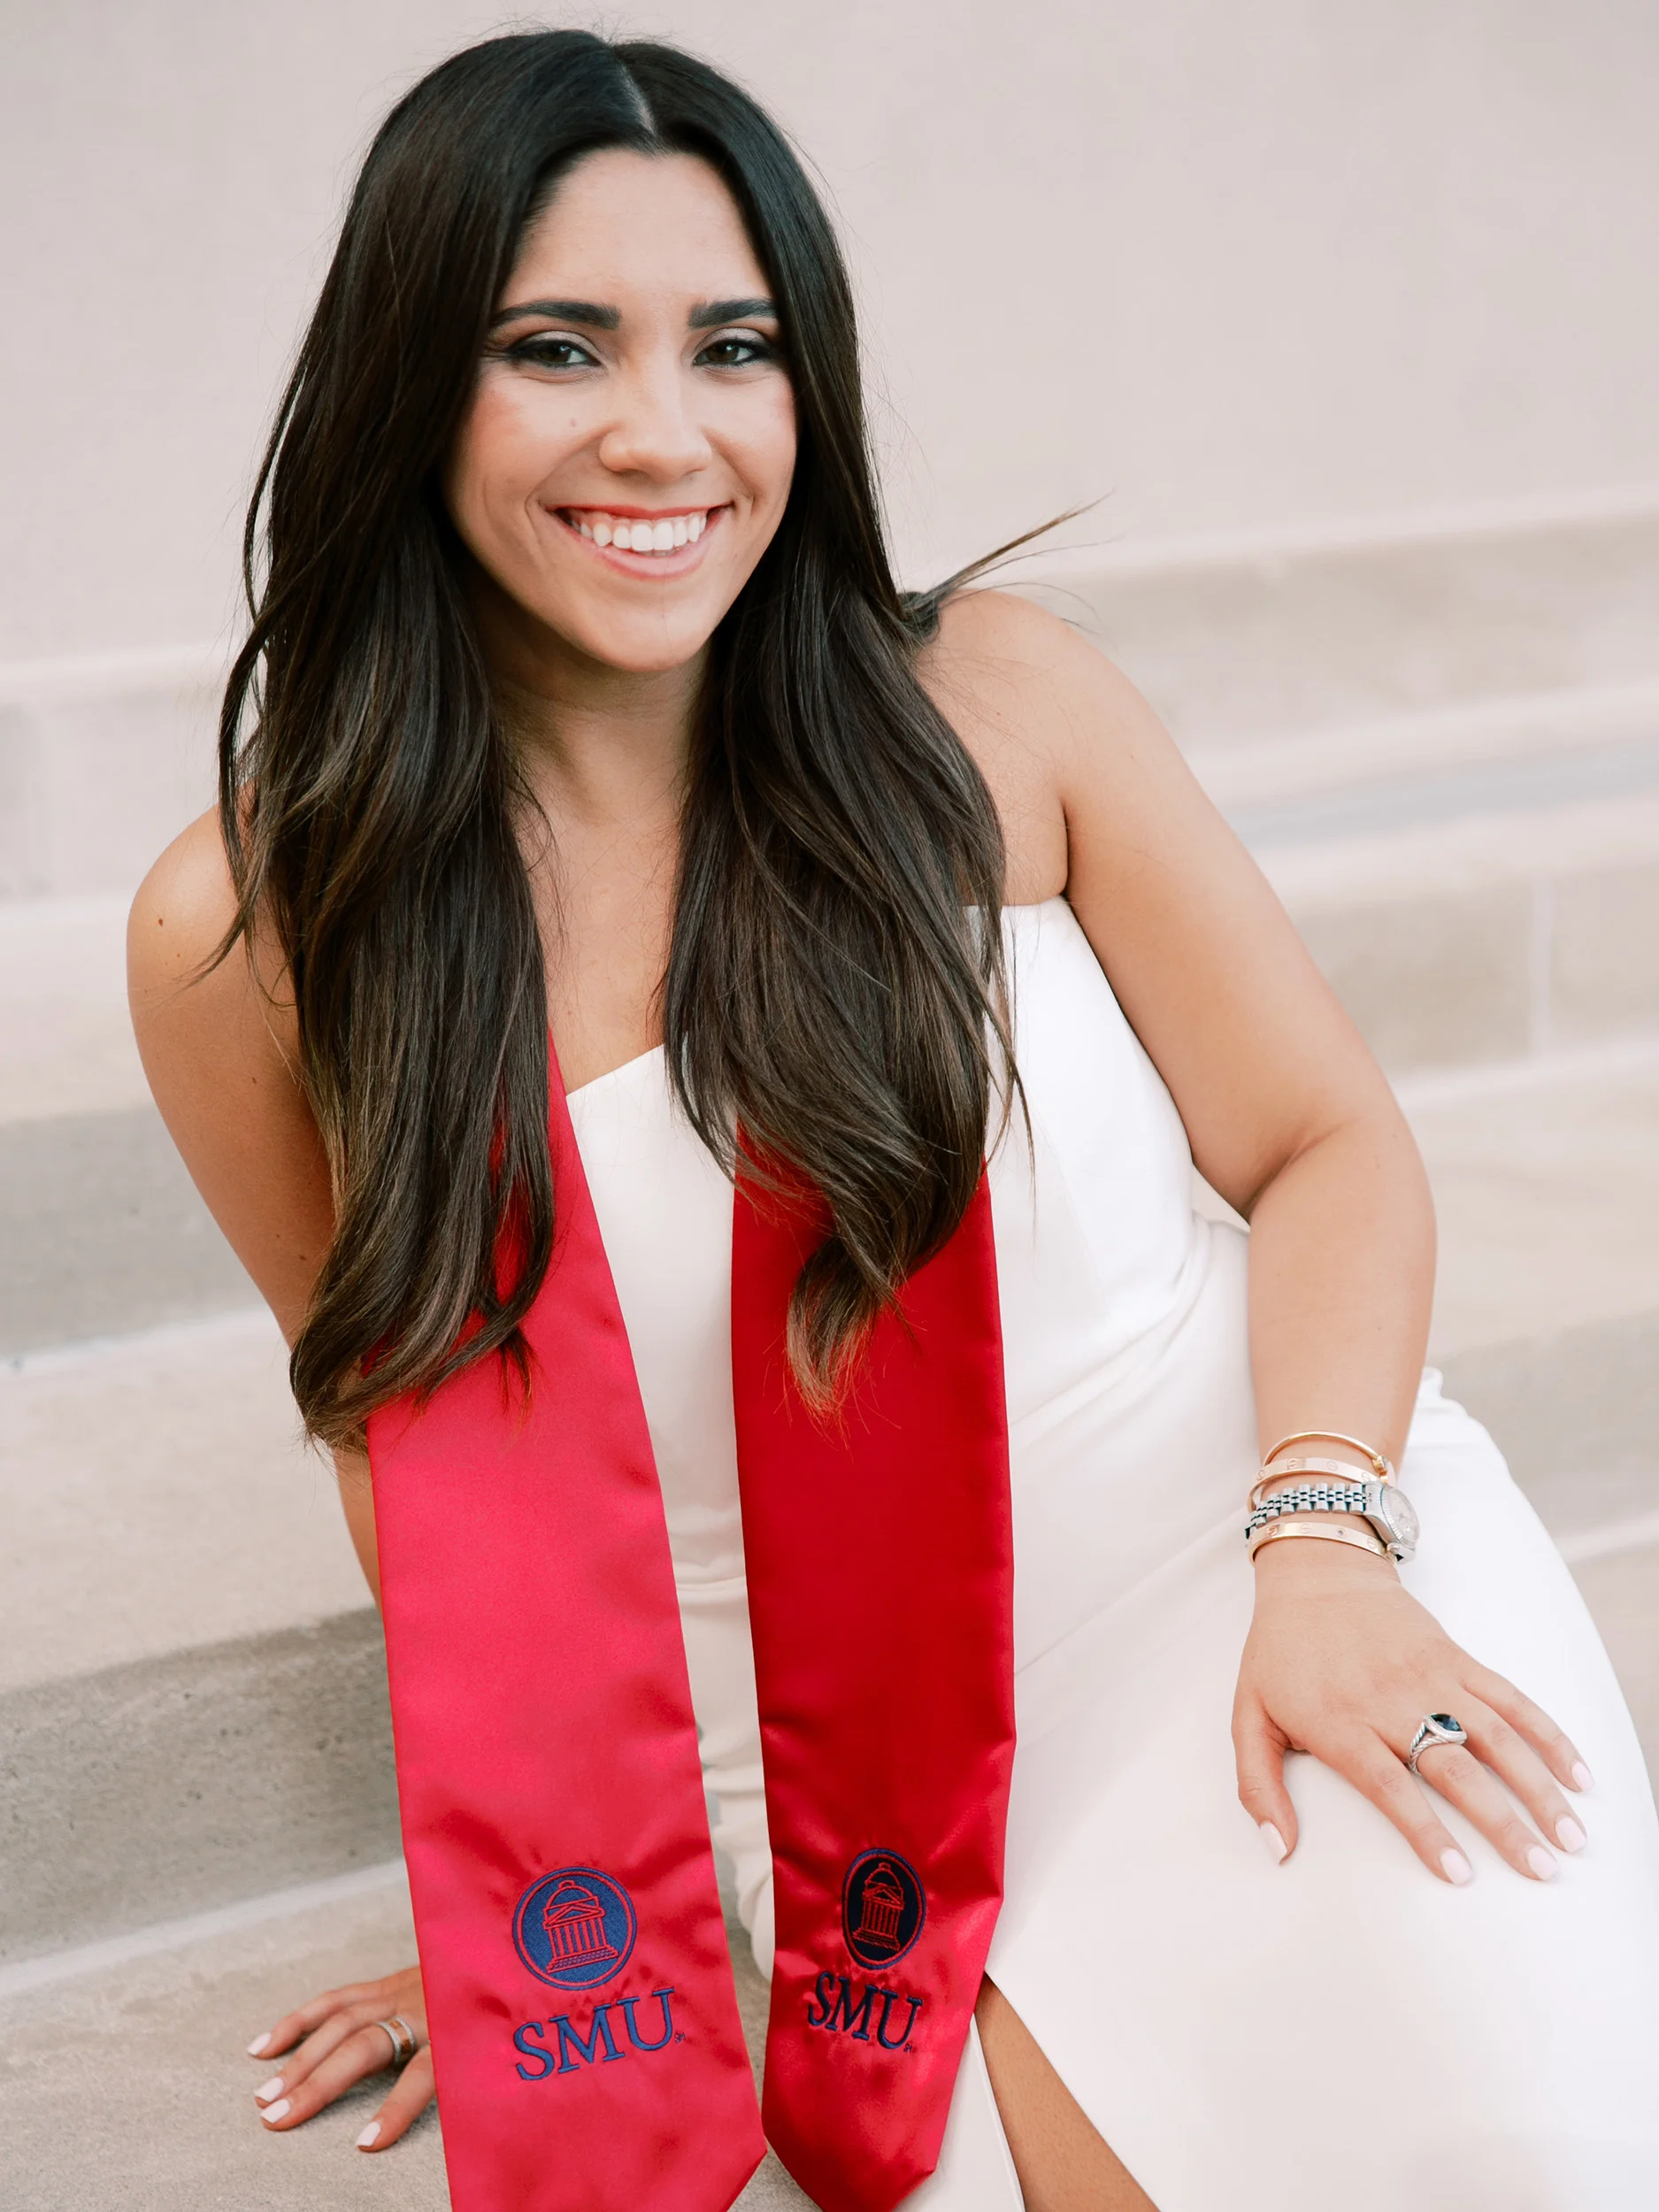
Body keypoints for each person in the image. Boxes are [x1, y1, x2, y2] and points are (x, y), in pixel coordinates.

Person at [127, 29, 1659, 2212]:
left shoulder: (994, 706)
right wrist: (555, 1874)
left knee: (1505, 2118)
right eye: (555, 347)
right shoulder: (255, 930)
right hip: (814, 1763)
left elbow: (1324, 1140)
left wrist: (1327, 1544)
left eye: (732, 345)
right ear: (407, 385)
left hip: (1238, 1561)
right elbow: (414, 1440)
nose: (662, 430)